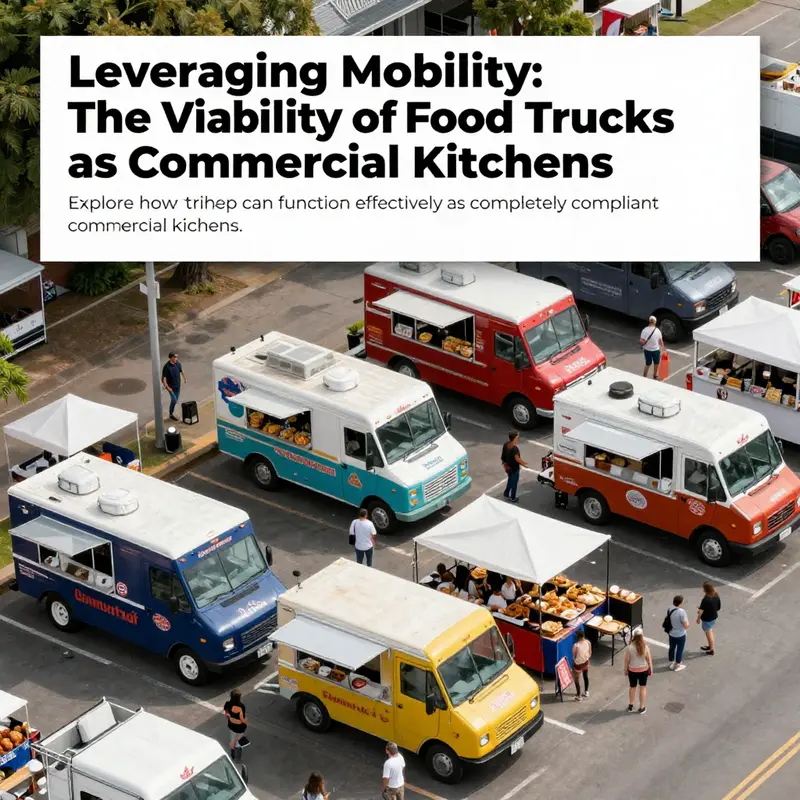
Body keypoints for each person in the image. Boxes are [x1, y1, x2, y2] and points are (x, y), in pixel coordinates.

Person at [623, 629, 653, 714]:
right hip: (644, 670)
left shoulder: (630, 647)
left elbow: (627, 660)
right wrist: (651, 669)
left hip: (632, 670)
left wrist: (625, 670)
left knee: (632, 687)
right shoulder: (645, 647)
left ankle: (631, 705)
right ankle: (642, 707)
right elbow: (648, 659)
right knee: (642, 688)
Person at [501, 431, 528, 503]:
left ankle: (506, 493)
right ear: (515, 438)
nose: (518, 438)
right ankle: (513, 497)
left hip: (507, 466)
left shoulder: (506, 444)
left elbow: (503, 456)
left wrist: (504, 463)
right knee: (514, 483)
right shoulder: (515, 449)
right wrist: (524, 464)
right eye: (517, 437)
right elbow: (517, 459)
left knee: (510, 479)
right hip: (514, 468)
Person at [666, 594, 690, 671]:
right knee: (680, 649)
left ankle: (671, 659)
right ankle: (677, 663)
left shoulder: (670, 609)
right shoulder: (681, 612)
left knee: (672, 647)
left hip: (671, 633)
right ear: (680, 603)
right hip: (680, 634)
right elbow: (686, 625)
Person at [697, 581, 721, 655]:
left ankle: (711, 649)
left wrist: (698, 618)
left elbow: (700, 611)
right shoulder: (716, 595)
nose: (702, 589)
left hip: (707, 619)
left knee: (709, 633)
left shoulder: (705, 600)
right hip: (714, 616)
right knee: (709, 631)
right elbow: (718, 607)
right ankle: (710, 647)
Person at [223, 688, 248, 761]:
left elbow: (226, 714)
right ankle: (238, 755)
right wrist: (246, 721)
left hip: (231, 726)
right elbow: (242, 719)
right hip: (240, 727)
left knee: (232, 739)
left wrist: (229, 717)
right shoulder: (241, 706)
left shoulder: (227, 704)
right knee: (238, 740)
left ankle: (232, 753)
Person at [161, 351, 187, 421]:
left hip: (177, 386)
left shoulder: (178, 364)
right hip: (171, 388)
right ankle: (171, 414)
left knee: (175, 401)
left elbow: (181, 371)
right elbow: (164, 379)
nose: (176, 358)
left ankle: (171, 412)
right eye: (175, 357)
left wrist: (184, 378)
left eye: (176, 357)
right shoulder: (166, 367)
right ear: (171, 358)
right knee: (174, 400)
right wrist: (167, 387)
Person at [572, 629, 591, 701]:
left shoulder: (576, 645)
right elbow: (590, 652)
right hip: (586, 662)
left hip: (578, 664)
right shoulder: (588, 642)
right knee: (585, 676)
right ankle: (586, 691)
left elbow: (574, 655)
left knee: (576, 679)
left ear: (578, 637)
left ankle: (579, 695)